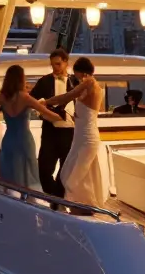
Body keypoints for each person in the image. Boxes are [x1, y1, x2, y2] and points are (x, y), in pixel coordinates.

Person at [43, 57, 106, 210]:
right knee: (72, 174)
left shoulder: (89, 82)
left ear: (81, 72)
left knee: (73, 177)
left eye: (75, 73)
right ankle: (82, 207)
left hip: (86, 138)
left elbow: (67, 96)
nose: (75, 76)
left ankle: (79, 207)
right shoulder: (93, 85)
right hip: (81, 137)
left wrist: (46, 101)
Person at [30, 49, 78, 199]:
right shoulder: (44, 81)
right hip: (50, 130)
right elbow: (32, 101)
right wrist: (42, 112)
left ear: (66, 63)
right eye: (52, 65)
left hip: (70, 132)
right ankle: (56, 196)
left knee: (66, 170)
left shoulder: (75, 82)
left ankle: (58, 201)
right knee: (43, 169)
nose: (55, 68)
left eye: (58, 64)